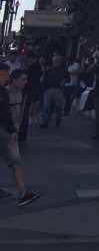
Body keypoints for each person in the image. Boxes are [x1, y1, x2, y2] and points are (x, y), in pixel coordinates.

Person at [0, 65, 39, 206]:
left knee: (15, 163)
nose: (25, 82)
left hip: (8, 130)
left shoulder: (20, 93)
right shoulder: (4, 92)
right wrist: (12, 130)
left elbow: (19, 113)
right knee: (16, 163)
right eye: (23, 79)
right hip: (6, 132)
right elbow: (5, 114)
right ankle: (23, 194)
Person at [40, 54, 67, 128]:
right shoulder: (48, 70)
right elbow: (43, 79)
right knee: (46, 107)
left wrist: (64, 81)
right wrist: (44, 88)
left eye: (58, 61)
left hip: (58, 89)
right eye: (55, 61)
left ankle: (58, 119)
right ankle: (45, 122)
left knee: (58, 107)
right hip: (48, 90)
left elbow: (67, 78)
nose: (56, 62)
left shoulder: (63, 70)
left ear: (60, 62)